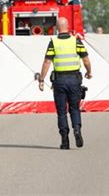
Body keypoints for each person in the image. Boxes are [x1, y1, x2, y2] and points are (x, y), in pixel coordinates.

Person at [39, 17, 92, 149]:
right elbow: (85, 59)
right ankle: (77, 129)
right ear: (68, 26)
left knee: (61, 112)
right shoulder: (76, 41)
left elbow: (47, 62)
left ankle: (65, 140)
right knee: (75, 108)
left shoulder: (54, 42)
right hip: (74, 80)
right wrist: (89, 72)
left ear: (57, 28)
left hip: (60, 81)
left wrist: (41, 79)